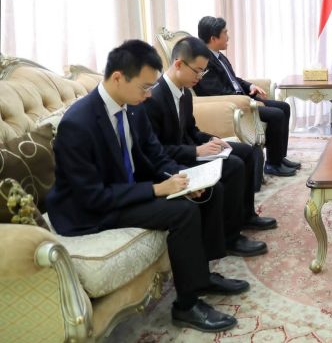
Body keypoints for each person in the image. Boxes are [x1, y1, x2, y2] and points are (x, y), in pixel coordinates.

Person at [46, 40, 247, 333]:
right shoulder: (78, 123)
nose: (150, 94)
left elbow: (154, 155)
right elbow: (92, 196)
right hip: (91, 209)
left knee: (209, 192)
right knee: (182, 213)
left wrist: (184, 179)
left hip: (125, 187)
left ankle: (202, 277)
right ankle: (186, 306)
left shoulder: (133, 107)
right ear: (118, 78)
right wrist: (156, 190)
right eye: (145, 87)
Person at [144, 36, 277, 257]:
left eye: (203, 72)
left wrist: (212, 140)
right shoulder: (153, 98)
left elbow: (192, 130)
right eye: (197, 71)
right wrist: (196, 151)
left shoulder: (184, 92)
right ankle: (230, 238)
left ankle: (246, 216)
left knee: (247, 151)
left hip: (189, 150)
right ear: (179, 64)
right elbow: (156, 150)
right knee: (233, 165)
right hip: (174, 161)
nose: (200, 77)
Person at [193, 16, 301, 177]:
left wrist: (250, 86)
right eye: (225, 33)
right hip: (235, 106)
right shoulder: (204, 61)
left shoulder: (219, 56)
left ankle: (279, 157)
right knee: (276, 114)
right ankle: (272, 165)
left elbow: (233, 79)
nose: (228, 37)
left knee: (284, 107)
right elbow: (215, 92)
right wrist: (246, 100)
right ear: (213, 38)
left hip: (244, 99)